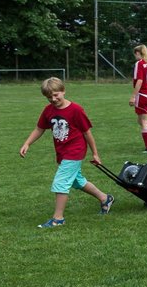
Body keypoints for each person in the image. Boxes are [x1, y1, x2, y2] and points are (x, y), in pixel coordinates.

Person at [19, 77, 114, 228]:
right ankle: (105, 198)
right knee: (77, 181)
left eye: (56, 95)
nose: (53, 99)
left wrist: (95, 153)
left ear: (63, 91)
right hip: (62, 152)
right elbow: (39, 129)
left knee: (61, 182)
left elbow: (87, 133)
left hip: (75, 151)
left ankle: (58, 219)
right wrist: (27, 143)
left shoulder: (75, 109)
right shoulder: (48, 110)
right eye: (49, 97)